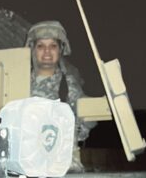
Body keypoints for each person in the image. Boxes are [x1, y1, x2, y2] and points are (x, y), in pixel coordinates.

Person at [25, 20, 97, 172]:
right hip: (24, 165)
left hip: (63, 167)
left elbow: (84, 126)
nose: (47, 52)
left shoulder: (69, 85)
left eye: (53, 46)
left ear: (60, 50)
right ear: (32, 49)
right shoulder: (16, 82)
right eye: (40, 46)